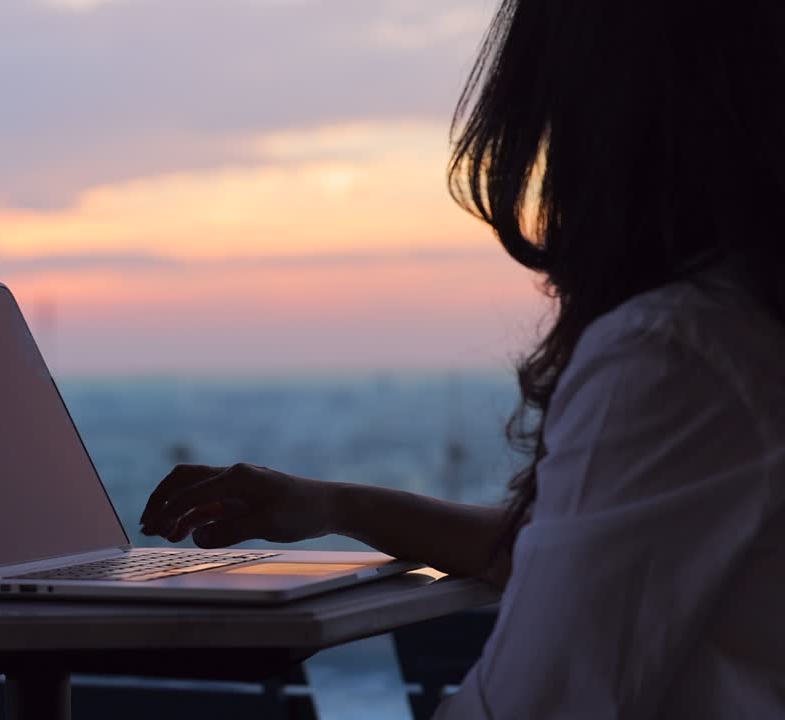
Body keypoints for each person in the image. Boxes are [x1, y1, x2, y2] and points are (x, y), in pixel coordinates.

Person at [139, 0, 785, 716]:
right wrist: (334, 504)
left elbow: (532, 703)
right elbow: (572, 555)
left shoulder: (679, 354)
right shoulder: (743, 328)